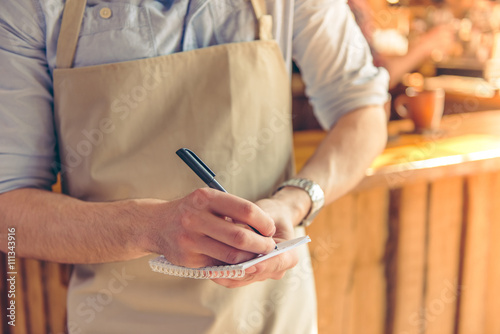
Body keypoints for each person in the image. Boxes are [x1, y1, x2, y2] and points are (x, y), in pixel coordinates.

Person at [0, 0, 388, 333]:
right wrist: (147, 228)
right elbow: (8, 211)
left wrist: (294, 202)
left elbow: (364, 112)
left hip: (276, 318)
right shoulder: (27, 8)